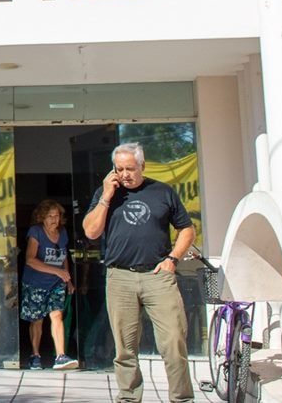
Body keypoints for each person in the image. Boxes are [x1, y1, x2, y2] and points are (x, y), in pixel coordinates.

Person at [82, 142, 195, 403]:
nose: (124, 174)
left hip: (158, 276)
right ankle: (129, 398)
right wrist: (106, 197)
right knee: (125, 348)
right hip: (120, 277)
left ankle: (182, 399)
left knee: (174, 342)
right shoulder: (106, 193)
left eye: (130, 168)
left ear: (142, 166)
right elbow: (91, 232)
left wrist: (172, 259)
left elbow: (186, 230)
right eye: (119, 169)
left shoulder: (162, 192)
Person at [20, 199, 77, 371]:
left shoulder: (63, 232)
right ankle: (35, 355)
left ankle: (60, 355)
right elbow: (30, 259)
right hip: (36, 282)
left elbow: (64, 255)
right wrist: (57, 272)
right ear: (42, 217)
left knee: (57, 315)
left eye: (57, 216)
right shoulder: (36, 232)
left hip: (56, 283)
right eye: (50, 216)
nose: (54, 219)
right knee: (37, 320)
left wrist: (67, 279)